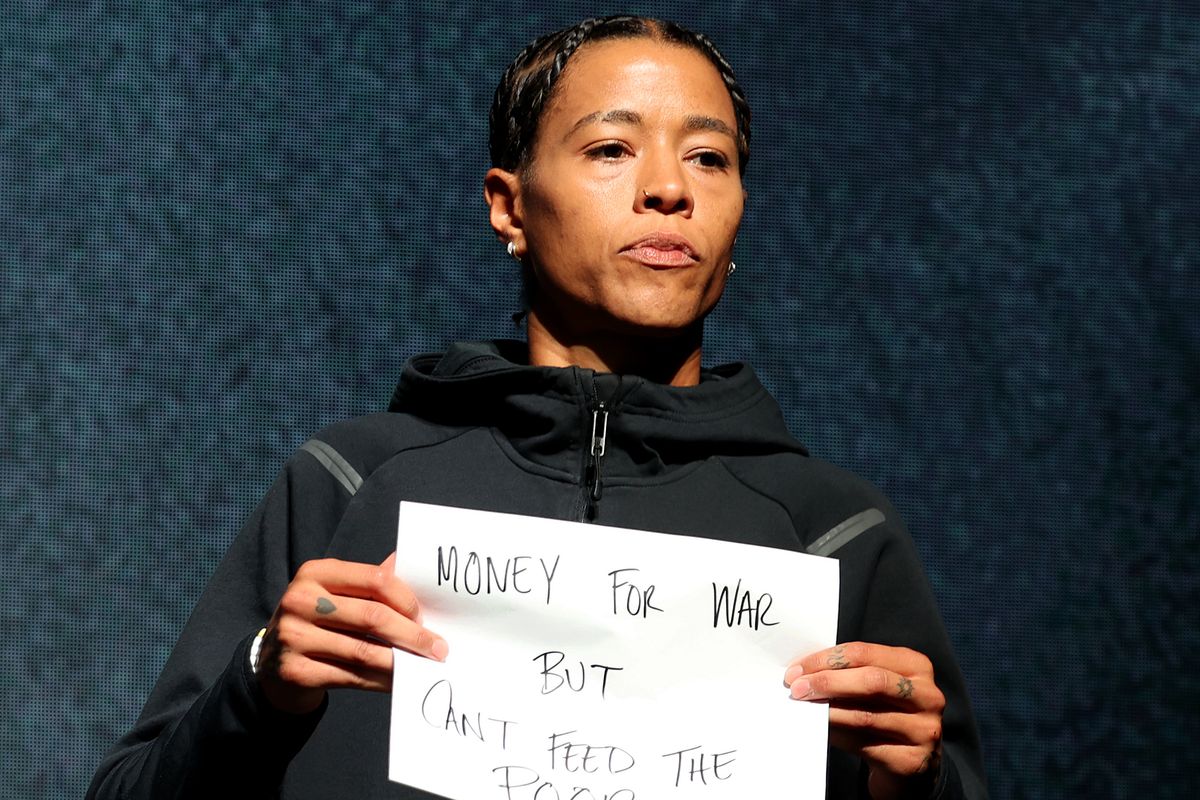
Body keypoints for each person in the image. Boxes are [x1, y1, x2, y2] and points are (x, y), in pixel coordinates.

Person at [89, 15, 986, 800]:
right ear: (508, 207)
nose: (668, 189)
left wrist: (917, 786)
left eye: (708, 158)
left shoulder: (837, 537)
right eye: (611, 148)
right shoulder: (351, 483)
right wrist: (258, 689)